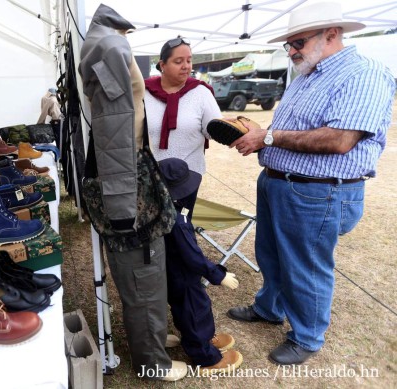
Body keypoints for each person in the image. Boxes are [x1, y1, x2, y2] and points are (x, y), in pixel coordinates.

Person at [227, 2, 395, 365]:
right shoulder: (307, 74)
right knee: (271, 255)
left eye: (298, 42)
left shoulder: (363, 74)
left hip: (318, 190)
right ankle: (270, 308)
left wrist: (267, 138)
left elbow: (339, 139)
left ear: (332, 34)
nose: (291, 51)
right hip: (279, 183)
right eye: (289, 44)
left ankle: (307, 336)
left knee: (305, 264)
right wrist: (259, 135)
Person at [79, 4, 187, 382]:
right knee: (142, 266)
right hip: (122, 175)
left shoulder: (109, 41)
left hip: (129, 170)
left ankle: (152, 338)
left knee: (149, 265)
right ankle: (151, 361)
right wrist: (124, 204)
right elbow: (112, 132)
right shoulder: (109, 46)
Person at [158, 158, 243, 375]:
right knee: (195, 311)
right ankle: (206, 358)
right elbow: (193, 256)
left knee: (184, 309)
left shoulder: (162, 210)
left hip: (170, 272)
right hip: (183, 276)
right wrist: (218, 275)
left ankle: (204, 338)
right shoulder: (178, 222)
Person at [144, 37, 222, 219]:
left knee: (180, 226)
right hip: (151, 175)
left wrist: (228, 128)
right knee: (153, 229)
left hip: (186, 177)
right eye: (178, 61)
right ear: (162, 65)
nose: (186, 66)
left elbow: (214, 130)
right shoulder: (144, 91)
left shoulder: (201, 93)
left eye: (189, 60)